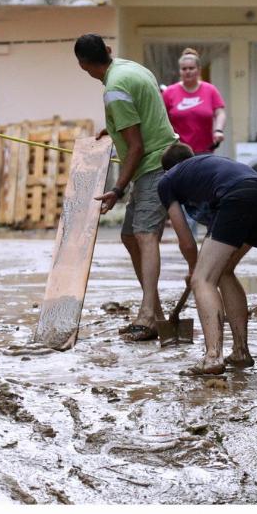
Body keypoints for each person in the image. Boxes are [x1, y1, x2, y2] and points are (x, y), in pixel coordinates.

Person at [74, 34, 177, 342]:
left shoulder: (114, 90)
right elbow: (142, 115)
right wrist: (115, 127)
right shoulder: (131, 68)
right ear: (108, 50)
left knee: (145, 236)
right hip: (160, 160)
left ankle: (147, 317)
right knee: (130, 236)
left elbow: (136, 147)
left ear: (83, 65)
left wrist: (117, 189)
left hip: (154, 166)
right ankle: (156, 314)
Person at [158, 143, 257, 375]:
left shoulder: (168, 180)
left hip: (237, 196)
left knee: (203, 280)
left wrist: (195, 270)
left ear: (167, 170)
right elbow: (215, 234)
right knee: (224, 271)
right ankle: (240, 351)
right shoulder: (205, 169)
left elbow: (186, 240)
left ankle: (213, 357)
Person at [162, 47, 226, 235]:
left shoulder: (209, 90)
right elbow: (161, 119)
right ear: (179, 71)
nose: (188, 72)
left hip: (204, 152)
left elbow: (220, 112)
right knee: (184, 198)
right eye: (184, 69)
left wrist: (218, 130)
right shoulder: (170, 92)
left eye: (191, 68)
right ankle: (188, 240)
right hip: (179, 155)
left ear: (198, 70)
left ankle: (212, 237)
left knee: (205, 197)